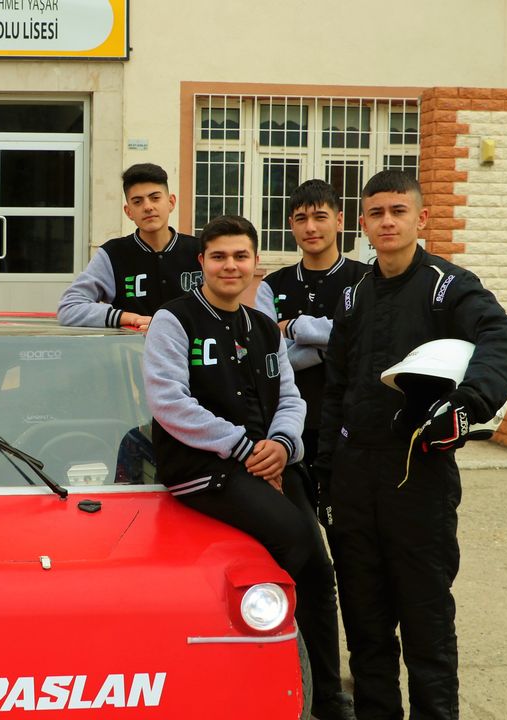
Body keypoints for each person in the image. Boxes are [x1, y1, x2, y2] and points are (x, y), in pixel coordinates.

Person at [316, 170, 507, 720]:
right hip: (353, 479)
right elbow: (336, 388)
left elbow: (504, 340)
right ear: (362, 224)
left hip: (419, 476)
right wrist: (324, 474)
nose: (387, 222)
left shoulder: (447, 285)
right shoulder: (353, 294)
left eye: (398, 211)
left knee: (426, 626)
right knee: (365, 626)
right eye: (376, 213)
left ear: (421, 218)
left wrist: (468, 403)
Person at [143, 215, 355, 720]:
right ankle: (253, 671)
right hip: (205, 469)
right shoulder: (173, 320)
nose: (230, 266)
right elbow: (169, 402)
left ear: (256, 263)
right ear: (202, 262)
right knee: (293, 539)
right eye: (219, 256)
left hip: (269, 460)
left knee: (319, 571)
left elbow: (291, 396)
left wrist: (281, 445)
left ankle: (326, 696)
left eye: (241, 256)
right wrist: (245, 449)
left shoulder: (262, 325)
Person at [257, 179, 368, 506]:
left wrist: (294, 328)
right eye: (301, 218)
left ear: (339, 220)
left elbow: (364, 340)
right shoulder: (271, 286)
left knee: (347, 519)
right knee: (296, 520)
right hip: (289, 426)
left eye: (320, 217)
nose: (310, 227)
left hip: (350, 422)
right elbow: (268, 357)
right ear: (290, 224)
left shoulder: (365, 280)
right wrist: (332, 345)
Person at [58, 163, 202, 329]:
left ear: (171, 202)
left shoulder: (200, 250)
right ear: (128, 212)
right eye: (137, 202)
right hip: (131, 344)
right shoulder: (113, 254)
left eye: (155, 198)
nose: (148, 207)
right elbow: (69, 307)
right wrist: (129, 318)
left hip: (190, 346)